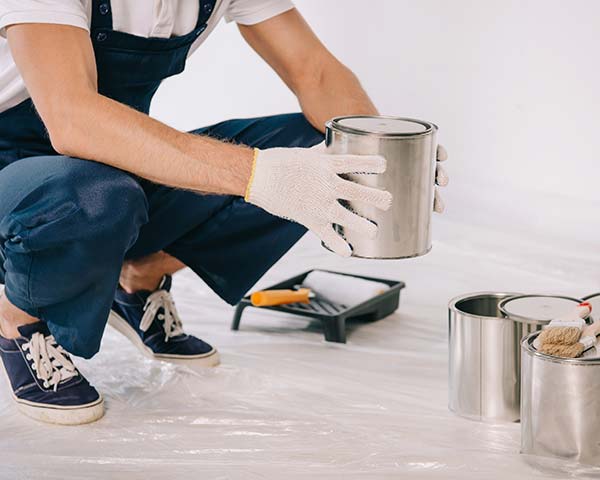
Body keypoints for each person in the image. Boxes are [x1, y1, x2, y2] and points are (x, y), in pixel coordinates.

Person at [0, 0, 448, 425]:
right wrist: (259, 175)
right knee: (96, 198)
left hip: (110, 168)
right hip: (21, 172)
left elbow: (315, 71)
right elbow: (73, 118)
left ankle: (137, 278)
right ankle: (16, 319)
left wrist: (380, 160)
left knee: (322, 151)